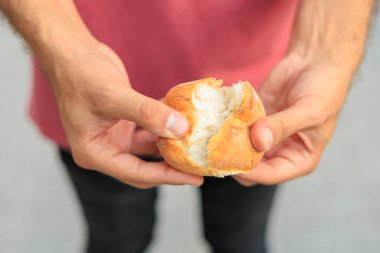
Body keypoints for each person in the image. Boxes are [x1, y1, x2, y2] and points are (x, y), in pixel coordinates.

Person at [0, 0, 374, 252]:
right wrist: (63, 49)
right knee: (116, 238)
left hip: (266, 98)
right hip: (93, 97)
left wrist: (327, 49)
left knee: (240, 236)